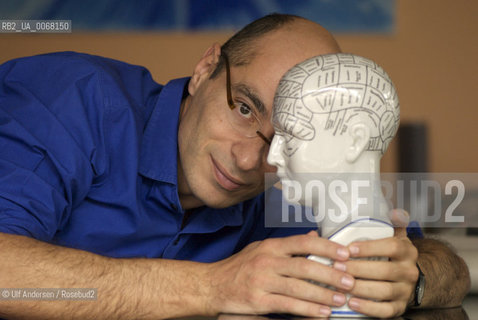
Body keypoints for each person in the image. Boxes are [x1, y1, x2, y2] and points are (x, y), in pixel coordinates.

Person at [0, 13, 470, 319]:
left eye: (286, 139)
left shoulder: (290, 183)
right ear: (206, 69)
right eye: (244, 108)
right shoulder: (73, 98)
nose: (251, 161)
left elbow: (447, 265)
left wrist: (411, 279)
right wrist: (212, 286)